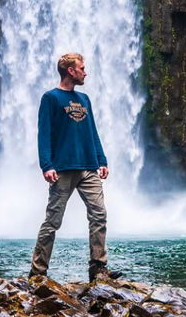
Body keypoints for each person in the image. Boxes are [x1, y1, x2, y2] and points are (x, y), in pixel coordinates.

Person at [29, 52, 123, 282]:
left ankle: (98, 268)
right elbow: (44, 134)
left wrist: (102, 159)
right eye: (82, 68)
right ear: (71, 71)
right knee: (53, 221)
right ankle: (37, 272)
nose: (85, 71)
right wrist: (47, 165)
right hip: (62, 169)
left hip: (88, 167)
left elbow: (92, 131)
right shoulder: (50, 98)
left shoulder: (84, 99)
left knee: (99, 214)